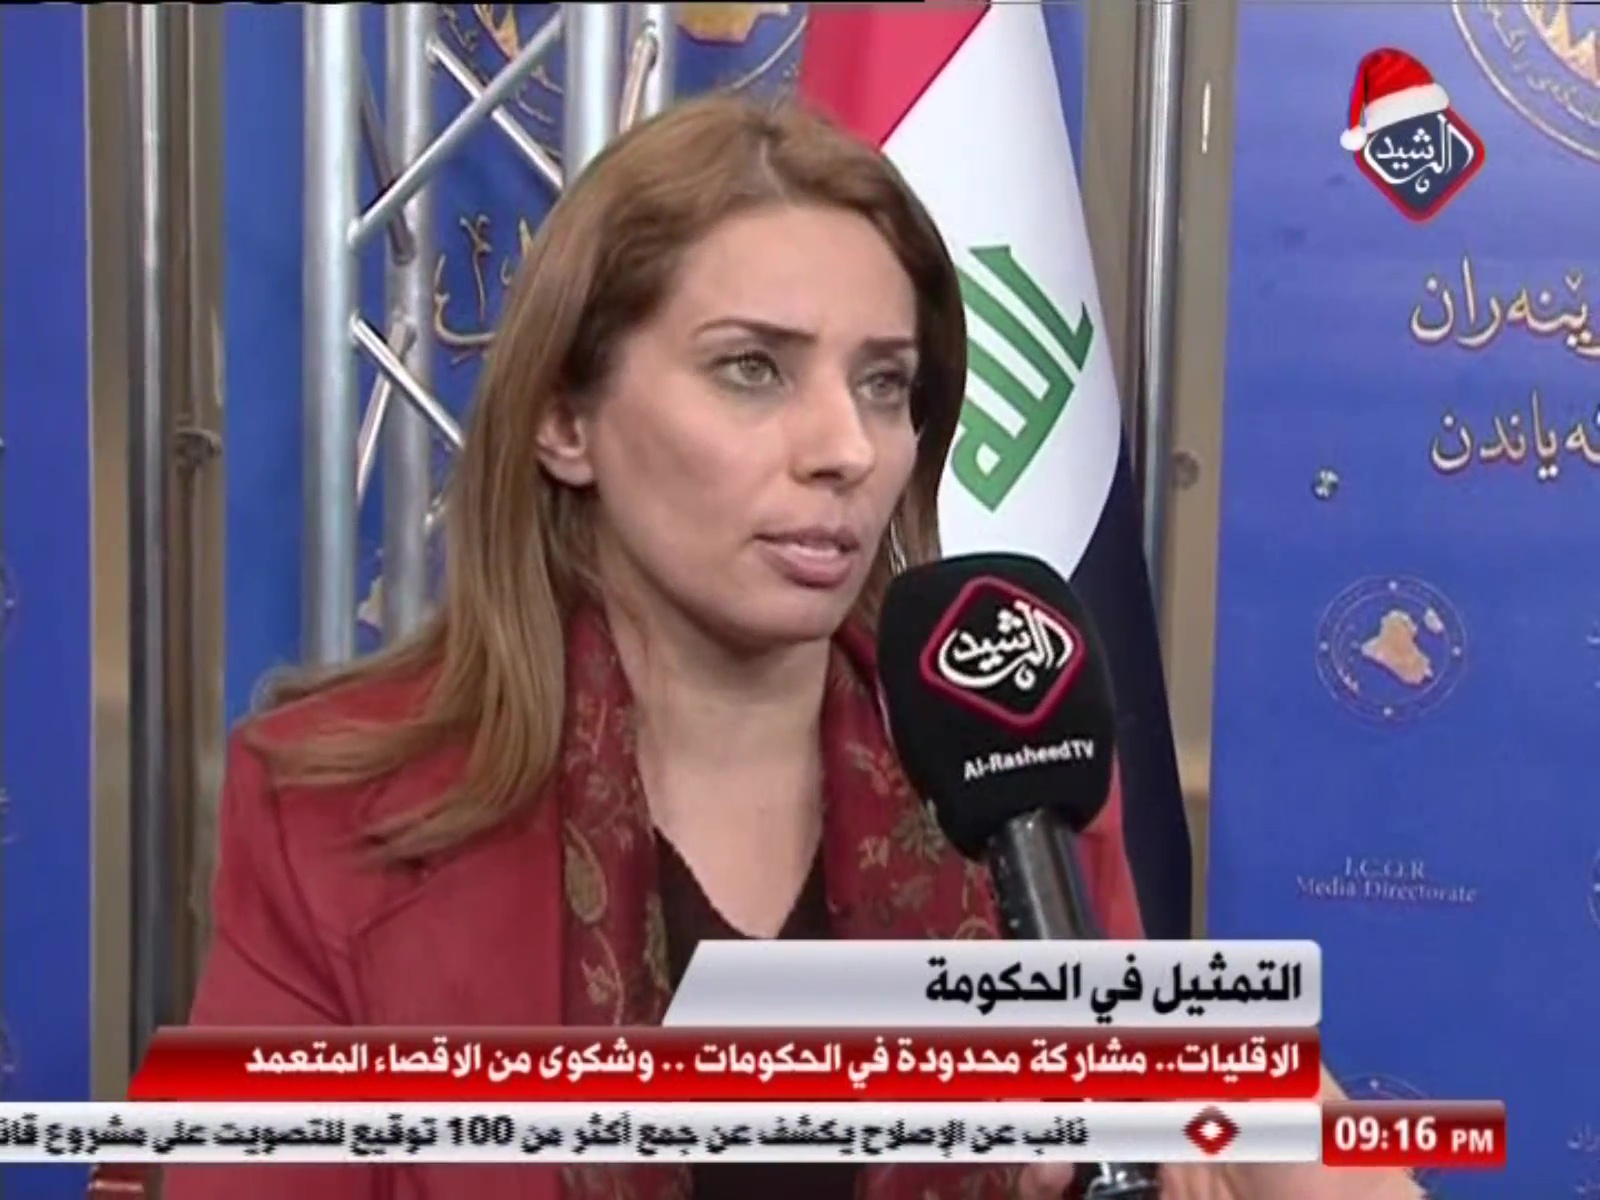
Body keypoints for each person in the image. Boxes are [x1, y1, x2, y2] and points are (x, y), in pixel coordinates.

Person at [160, 95, 1421, 1200]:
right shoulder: (334, 814)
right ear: (564, 420)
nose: (847, 450)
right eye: (753, 369)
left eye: (885, 384)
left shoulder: (1014, 776)